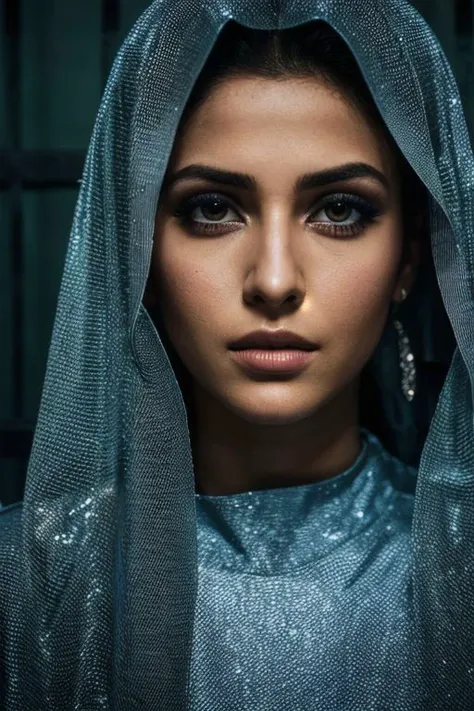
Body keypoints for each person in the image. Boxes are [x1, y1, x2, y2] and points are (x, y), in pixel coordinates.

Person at [0, 1, 472, 709]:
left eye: (340, 209)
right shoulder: (27, 582)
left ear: (409, 258)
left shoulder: (461, 574)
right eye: (212, 208)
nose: (275, 280)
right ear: (141, 256)